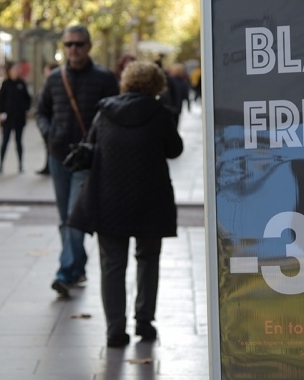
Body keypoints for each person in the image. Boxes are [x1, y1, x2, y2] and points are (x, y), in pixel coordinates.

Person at [68, 61, 183, 347]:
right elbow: (175, 149)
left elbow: (90, 144)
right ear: (157, 85)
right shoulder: (160, 114)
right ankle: (144, 320)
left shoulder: (106, 112)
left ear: (126, 82)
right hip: (151, 200)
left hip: (109, 199)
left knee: (112, 265)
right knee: (148, 259)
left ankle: (115, 329)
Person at [36, 25, 119, 297]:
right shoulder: (54, 79)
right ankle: (77, 267)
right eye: (69, 44)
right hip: (60, 156)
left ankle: (66, 271)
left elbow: (113, 114)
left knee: (73, 216)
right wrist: (50, 135)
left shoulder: (104, 78)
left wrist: (98, 144)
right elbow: (41, 112)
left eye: (79, 44)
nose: (74, 49)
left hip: (87, 159)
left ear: (89, 46)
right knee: (65, 217)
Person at [0, 61, 32, 174]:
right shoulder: (5, 84)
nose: (17, 71)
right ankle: (1, 165)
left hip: (19, 119)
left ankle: (20, 165)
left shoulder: (22, 83)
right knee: (5, 142)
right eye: (15, 69)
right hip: (8, 119)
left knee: (19, 142)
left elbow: (28, 99)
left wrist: (25, 109)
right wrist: (0, 113)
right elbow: (0, 101)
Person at [35, 62, 59, 175]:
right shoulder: (48, 84)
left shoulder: (57, 84)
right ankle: (48, 166)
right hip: (49, 124)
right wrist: (45, 129)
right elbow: (41, 110)